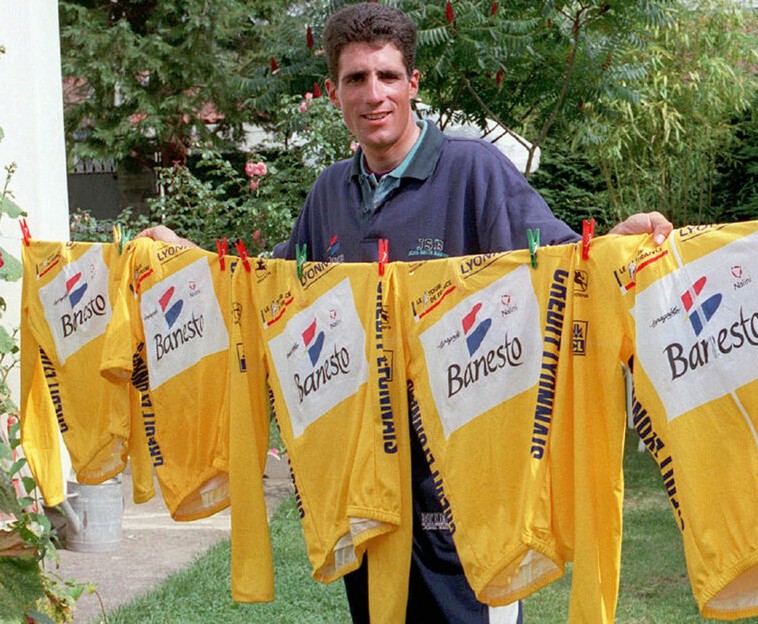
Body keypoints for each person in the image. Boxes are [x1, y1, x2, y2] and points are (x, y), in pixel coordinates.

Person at [140, 4, 672, 622]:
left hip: (468, 488)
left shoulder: (474, 172)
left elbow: (561, 269)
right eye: (356, 79)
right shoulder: (329, 195)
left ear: (413, 84)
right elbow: (268, 294)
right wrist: (187, 261)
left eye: (388, 76)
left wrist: (617, 244)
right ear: (335, 92)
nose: (374, 94)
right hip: (364, 486)